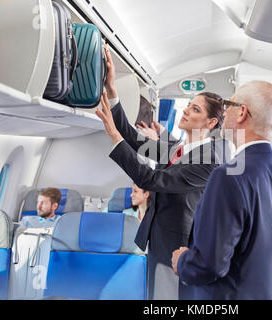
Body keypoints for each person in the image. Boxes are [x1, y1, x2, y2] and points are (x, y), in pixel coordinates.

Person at [95, 49, 229, 300]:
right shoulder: (180, 147)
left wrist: (114, 137)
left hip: (179, 247)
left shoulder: (208, 160)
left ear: (210, 123)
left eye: (196, 109)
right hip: (157, 239)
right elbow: (135, 140)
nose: (187, 110)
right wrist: (113, 92)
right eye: (189, 105)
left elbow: (151, 180)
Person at [171, 80, 272, 299]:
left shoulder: (227, 176)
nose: (224, 110)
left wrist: (182, 260)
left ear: (242, 112)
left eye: (228, 104)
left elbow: (209, 265)